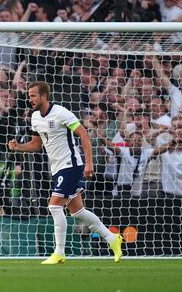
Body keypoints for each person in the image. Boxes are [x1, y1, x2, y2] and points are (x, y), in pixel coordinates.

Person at [8, 81, 123, 264]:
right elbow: (37, 145)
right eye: (29, 96)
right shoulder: (35, 117)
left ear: (44, 96)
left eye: (33, 95)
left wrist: (89, 163)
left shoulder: (61, 113)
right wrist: (19, 147)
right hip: (57, 168)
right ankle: (112, 239)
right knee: (78, 212)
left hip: (71, 165)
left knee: (54, 206)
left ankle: (59, 252)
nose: (30, 99)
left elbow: (84, 135)